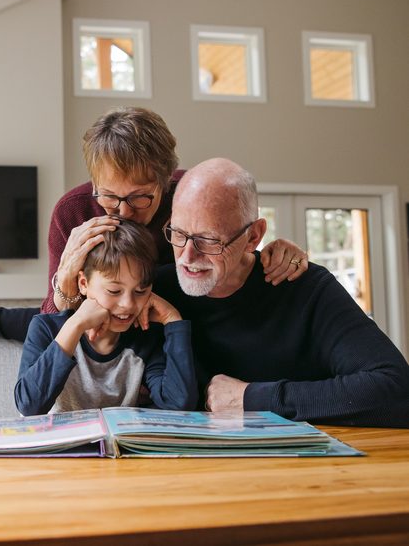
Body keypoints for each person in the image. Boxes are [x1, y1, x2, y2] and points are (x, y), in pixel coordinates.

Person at [0, 107, 307, 344]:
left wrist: (273, 250)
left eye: (140, 197)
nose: (122, 212)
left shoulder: (191, 194)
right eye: (108, 196)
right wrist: (66, 279)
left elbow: (232, 259)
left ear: (166, 181)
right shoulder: (72, 213)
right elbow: (50, 323)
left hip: (185, 343)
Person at [139, 157, 409, 427]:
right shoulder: (154, 293)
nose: (186, 256)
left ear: (254, 236)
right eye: (178, 233)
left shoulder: (305, 287)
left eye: (208, 240)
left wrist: (253, 398)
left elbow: (396, 388)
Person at [15, 219, 196, 416]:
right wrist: (74, 326)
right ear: (83, 283)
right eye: (114, 290)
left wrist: (173, 320)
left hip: (117, 446)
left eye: (140, 291)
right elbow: (28, 405)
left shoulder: (145, 337)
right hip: (61, 446)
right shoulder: (46, 328)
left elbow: (178, 406)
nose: (128, 304)